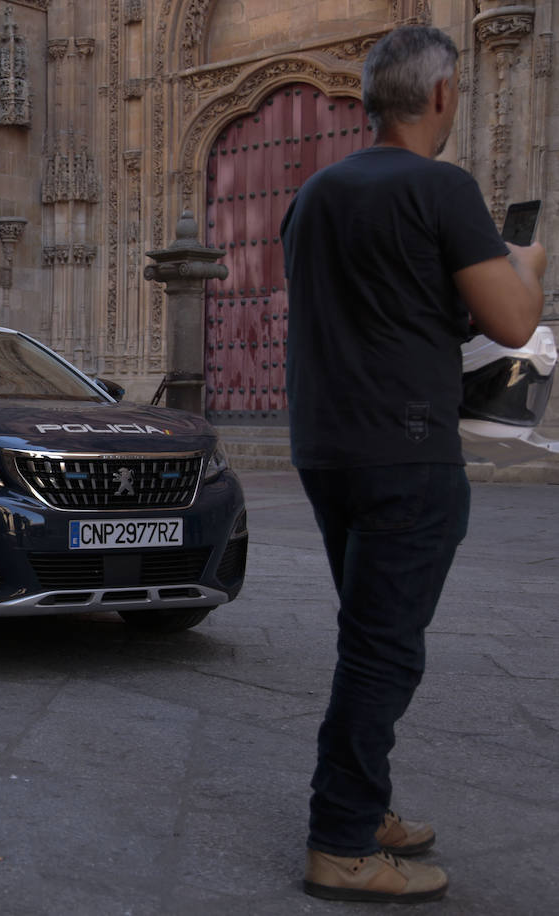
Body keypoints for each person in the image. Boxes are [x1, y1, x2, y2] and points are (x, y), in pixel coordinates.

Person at [280, 25, 546, 904]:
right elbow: (514, 322)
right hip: (406, 450)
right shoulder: (443, 186)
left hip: (326, 448)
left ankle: (366, 804)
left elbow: (387, 307)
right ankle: (342, 841)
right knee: (384, 651)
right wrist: (528, 263)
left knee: (368, 634)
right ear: (441, 95)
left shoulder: (312, 194)